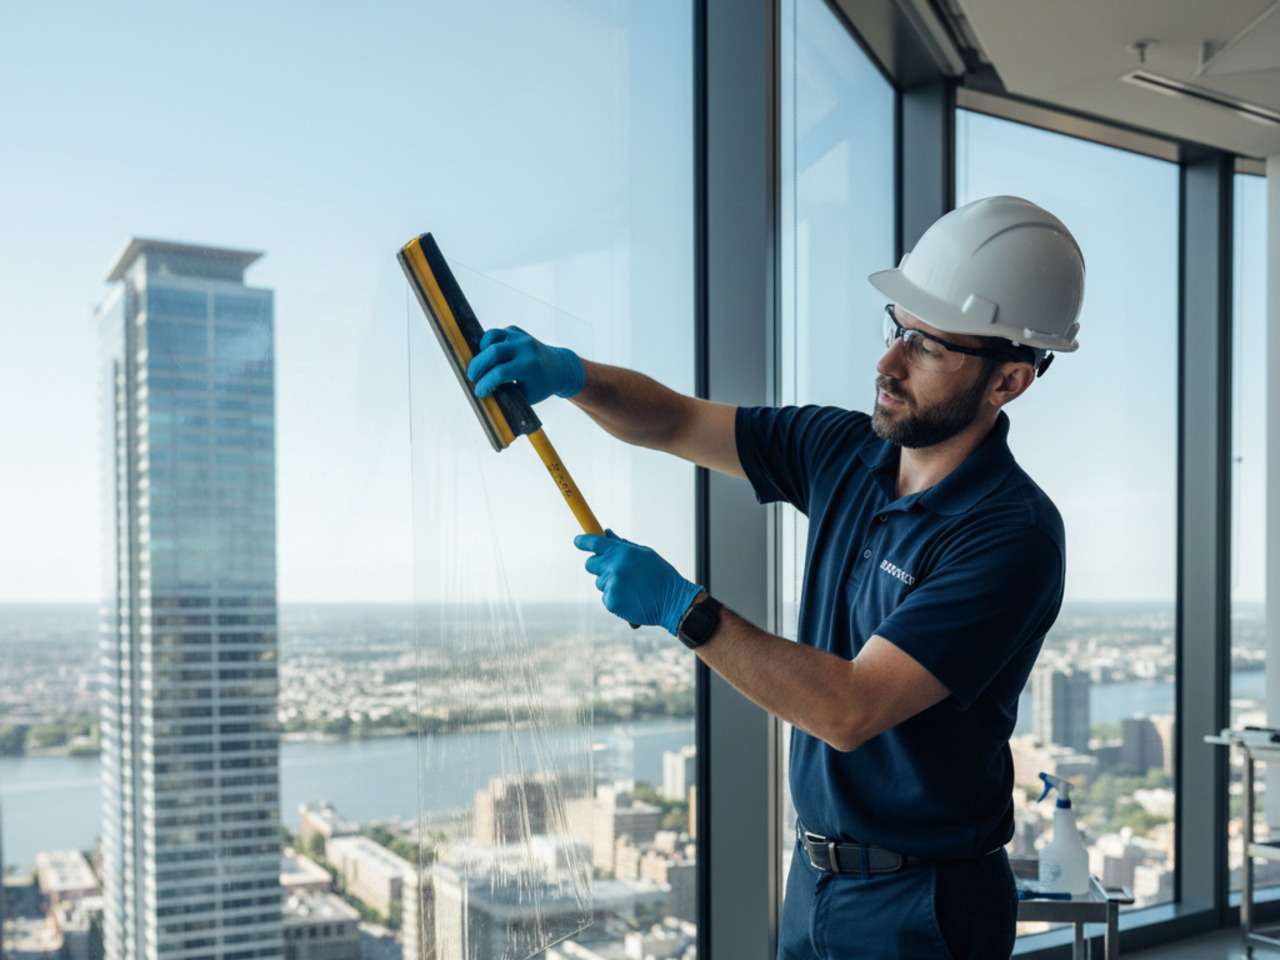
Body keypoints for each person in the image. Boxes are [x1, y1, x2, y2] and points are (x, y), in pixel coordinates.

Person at [466, 195, 1085, 959]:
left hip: (923, 905)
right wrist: (569, 375)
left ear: (1008, 382)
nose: (888, 363)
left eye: (927, 346)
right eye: (896, 328)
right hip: (815, 880)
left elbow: (848, 710)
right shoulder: (841, 449)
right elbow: (676, 421)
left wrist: (681, 608)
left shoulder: (1008, 534)